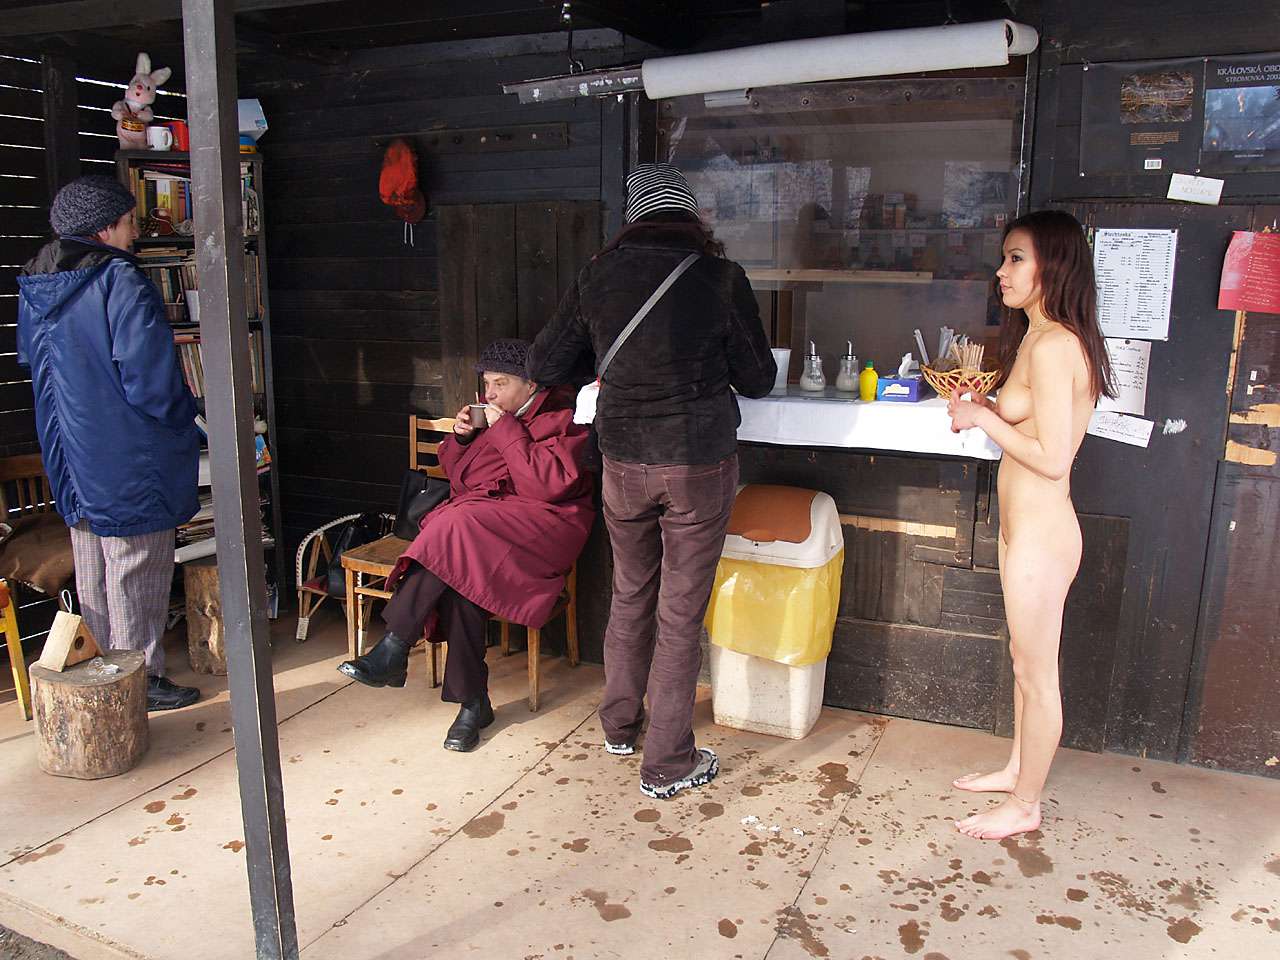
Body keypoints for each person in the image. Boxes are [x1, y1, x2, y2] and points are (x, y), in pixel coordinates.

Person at [528, 163, 776, 799]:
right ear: (690, 218)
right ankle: (667, 762)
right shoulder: (721, 277)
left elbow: (545, 363)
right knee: (680, 611)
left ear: (632, 219)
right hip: (697, 463)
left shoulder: (597, 276)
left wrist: (611, 366)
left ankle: (619, 725)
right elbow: (757, 379)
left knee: (631, 592)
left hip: (622, 462)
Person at [946, 210, 1115, 840]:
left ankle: (1025, 804)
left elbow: (1053, 458)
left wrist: (984, 420)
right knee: (1023, 661)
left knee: (1036, 674)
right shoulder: (1040, 337)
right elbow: (1035, 424)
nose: (1002, 271)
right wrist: (987, 405)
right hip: (1024, 530)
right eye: (1005, 257)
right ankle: (1018, 768)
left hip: (1043, 534)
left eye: (1016, 258)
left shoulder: (1054, 345)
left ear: (1055, 265)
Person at [338, 339, 594, 752]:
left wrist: (504, 430)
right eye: (486, 384)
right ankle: (473, 704)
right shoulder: (497, 417)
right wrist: (462, 440)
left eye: (500, 383)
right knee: (459, 579)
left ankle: (395, 646)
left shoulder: (566, 417)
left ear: (531, 384)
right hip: (487, 526)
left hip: (544, 529)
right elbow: (463, 481)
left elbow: (546, 486)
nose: (489, 394)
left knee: (456, 526)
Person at [17, 175, 201, 711]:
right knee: (137, 563)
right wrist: (186, 415)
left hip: (69, 451)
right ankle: (142, 678)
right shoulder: (118, 279)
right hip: (128, 451)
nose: (133, 233)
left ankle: (108, 678)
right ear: (103, 228)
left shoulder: (36, 283)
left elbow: (33, 361)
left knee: (95, 563)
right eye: (127, 222)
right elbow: (149, 379)